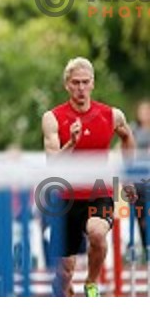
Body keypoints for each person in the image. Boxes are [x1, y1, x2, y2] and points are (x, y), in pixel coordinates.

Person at [41, 57, 137, 297]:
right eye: (75, 83)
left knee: (97, 232)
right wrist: (71, 143)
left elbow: (127, 137)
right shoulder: (52, 118)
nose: (81, 88)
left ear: (93, 83)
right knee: (65, 272)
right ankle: (64, 289)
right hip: (65, 197)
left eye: (85, 82)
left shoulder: (112, 115)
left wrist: (128, 176)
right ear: (67, 85)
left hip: (98, 192)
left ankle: (91, 283)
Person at [131, 100, 150, 247]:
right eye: (142, 111)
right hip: (139, 179)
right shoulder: (133, 130)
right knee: (141, 215)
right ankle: (145, 245)